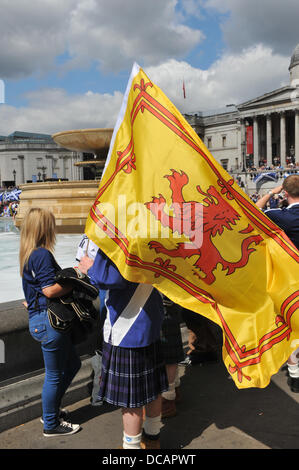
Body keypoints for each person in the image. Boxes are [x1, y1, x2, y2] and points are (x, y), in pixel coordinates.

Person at [78, 249, 168, 450]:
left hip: (126, 327)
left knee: (131, 399)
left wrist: (89, 267)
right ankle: (153, 438)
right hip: (151, 319)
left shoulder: (116, 235)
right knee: (153, 388)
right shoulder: (156, 230)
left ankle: (132, 448)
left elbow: (110, 278)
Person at [19, 207, 81, 436]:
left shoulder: (28, 255)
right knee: (54, 374)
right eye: (51, 224)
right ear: (44, 228)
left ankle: (50, 411)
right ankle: (51, 423)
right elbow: (49, 290)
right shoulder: (42, 254)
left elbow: (32, 292)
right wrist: (77, 278)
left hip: (39, 320)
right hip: (50, 322)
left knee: (72, 365)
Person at [256, 174, 299, 392]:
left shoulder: (281, 216)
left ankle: (295, 374)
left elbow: (254, 210)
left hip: (290, 278)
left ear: (286, 192)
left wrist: (272, 192)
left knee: (291, 324)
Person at [160, 296, 184, 419]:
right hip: (165, 299)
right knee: (167, 350)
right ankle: (174, 388)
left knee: (168, 352)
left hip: (164, 301)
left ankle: (167, 399)